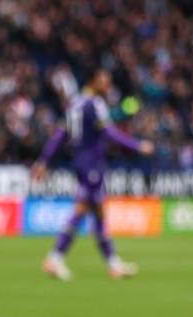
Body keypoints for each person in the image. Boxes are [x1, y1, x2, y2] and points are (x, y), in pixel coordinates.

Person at [32, 69, 154, 281]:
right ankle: (55, 257)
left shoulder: (75, 104)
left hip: (80, 162)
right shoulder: (95, 104)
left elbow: (60, 136)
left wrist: (44, 160)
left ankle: (113, 264)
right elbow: (109, 132)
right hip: (92, 166)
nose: (107, 87)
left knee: (98, 213)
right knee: (82, 209)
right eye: (103, 83)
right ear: (93, 83)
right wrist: (137, 145)